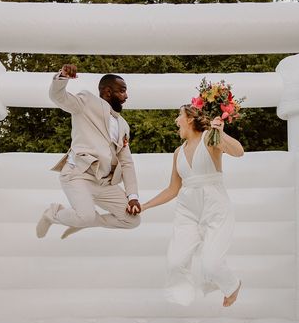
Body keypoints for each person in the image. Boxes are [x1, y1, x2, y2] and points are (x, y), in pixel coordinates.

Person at [141, 105, 243, 307]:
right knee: (175, 261)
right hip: (187, 210)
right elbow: (172, 189)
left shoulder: (209, 138)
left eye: (179, 116)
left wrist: (220, 133)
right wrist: (144, 206)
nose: (176, 120)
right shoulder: (178, 152)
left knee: (211, 265)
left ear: (189, 119)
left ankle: (232, 285)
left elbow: (239, 152)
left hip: (215, 207)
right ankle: (183, 296)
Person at [36, 64, 141, 240]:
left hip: (104, 183)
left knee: (133, 220)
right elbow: (58, 97)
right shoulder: (86, 101)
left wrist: (133, 196)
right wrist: (63, 77)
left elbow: (126, 162)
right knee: (85, 216)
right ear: (108, 92)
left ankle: (86, 221)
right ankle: (53, 213)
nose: (126, 96)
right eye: (122, 91)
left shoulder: (123, 125)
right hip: (78, 175)